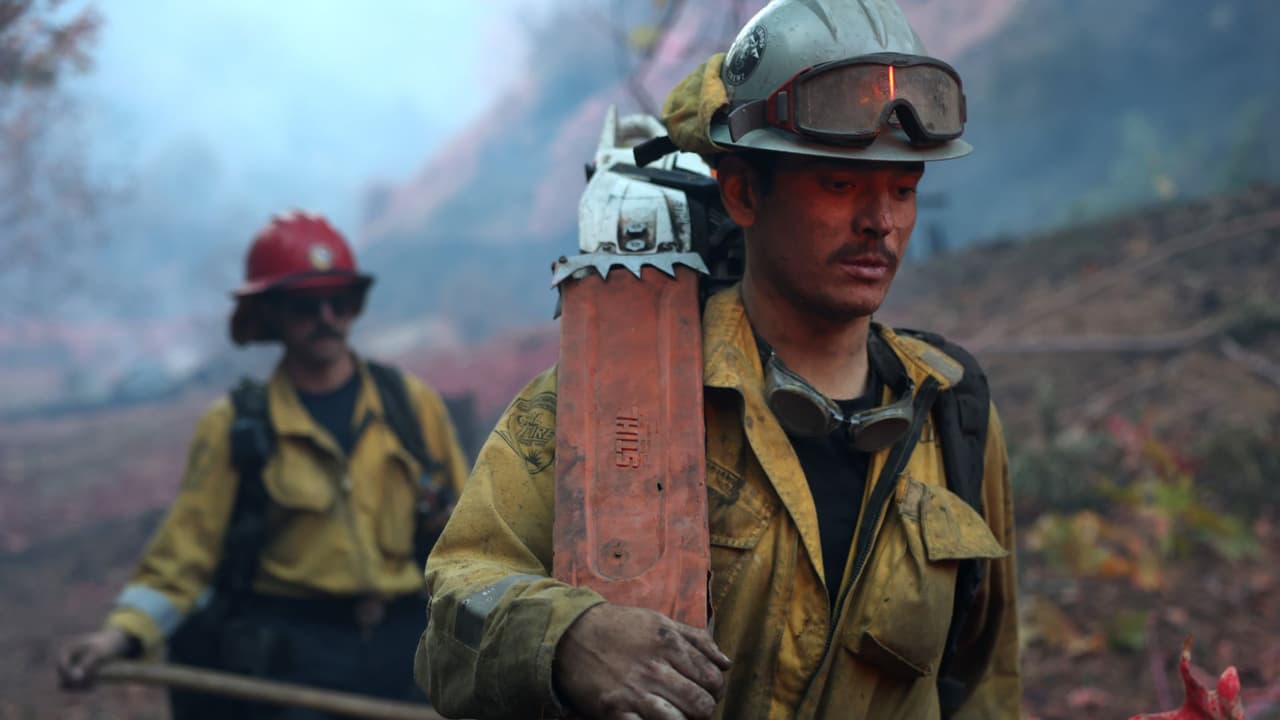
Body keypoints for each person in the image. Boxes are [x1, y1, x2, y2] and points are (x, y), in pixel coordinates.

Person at [417, 1, 1021, 718]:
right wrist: (568, 636)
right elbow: (455, 605)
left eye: (903, 188)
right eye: (839, 184)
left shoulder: (952, 414)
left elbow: (987, 686)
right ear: (741, 192)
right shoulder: (615, 398)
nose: (880, 222)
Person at [57, 210, 469, 718]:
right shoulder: (234, 426)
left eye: (338, 301)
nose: (326, 318)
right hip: (295, 665)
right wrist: (116, 638)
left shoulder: (411, 405)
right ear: (270, 313)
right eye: (305, 305)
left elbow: (471, 538)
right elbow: (182, 557)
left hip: (409, 653)